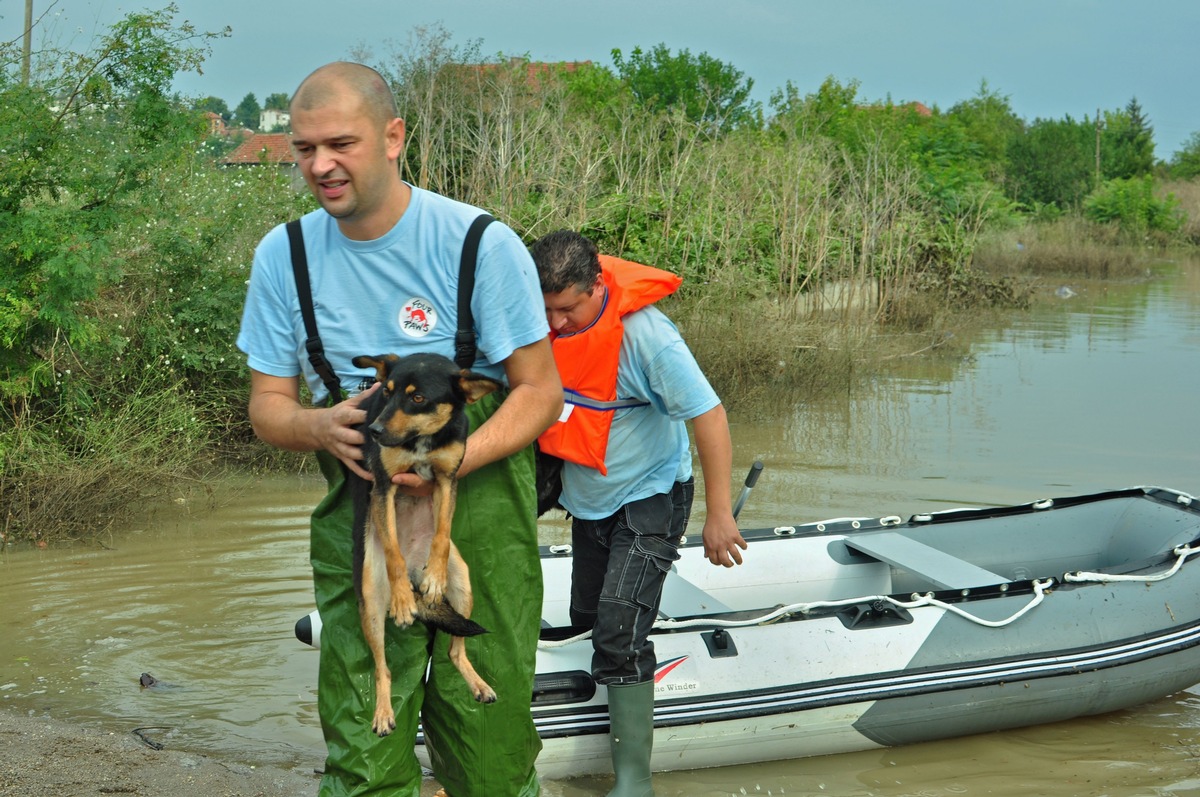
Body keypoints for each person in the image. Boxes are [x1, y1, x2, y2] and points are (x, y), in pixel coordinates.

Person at [236, 62, 562, 797]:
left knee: (491, 760)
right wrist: (317, 425)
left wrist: (455, 457)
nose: (320, 165)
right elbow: (267, 406)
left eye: (340, 143)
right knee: (361, 754)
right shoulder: (283, 257)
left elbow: (542, 391)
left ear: (393, 137)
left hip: (477, 519)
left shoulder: (480, 242)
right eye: (303, 148)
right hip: (360, 521)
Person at [529, 230, 747, 797]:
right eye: (546, 309)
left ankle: (634, 782)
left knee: (619, 629)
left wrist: (718, 513)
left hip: (651, 494)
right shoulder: (541, 327)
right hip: (591, 499)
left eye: (568, 309)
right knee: (587, 617)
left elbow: (710, 416)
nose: (555, 324)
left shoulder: (648, 338)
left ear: (597, 287)